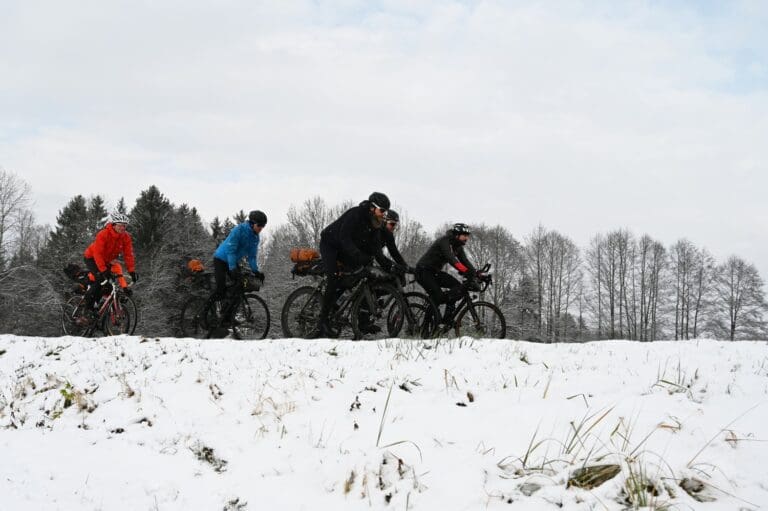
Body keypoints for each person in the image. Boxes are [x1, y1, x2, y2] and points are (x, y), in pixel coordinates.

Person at [309, 192, 395, 338]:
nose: (383, 214)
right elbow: (344, 238)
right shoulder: (355, 214)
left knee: (354, 275)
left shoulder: (375, 223)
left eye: (385, 211)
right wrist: (358, 255)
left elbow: (376, 250)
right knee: (333, 277)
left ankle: (334, 306)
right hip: (330, 244)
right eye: (382, 210)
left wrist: (390, 266)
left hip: (344, 248)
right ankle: (321, 322)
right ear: (372, 208)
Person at [415, 223, 479, 325]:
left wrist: (476, 273)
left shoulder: (458, 246)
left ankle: (447, 319)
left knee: (458, 288)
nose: (466, 238)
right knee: (438, 297)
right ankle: (425, 328)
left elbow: (465, 261)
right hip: (423, 271)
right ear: (457, 234)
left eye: (467, 236)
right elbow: (452, 260)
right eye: (464, 235)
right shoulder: (445, 241)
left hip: (435, 272)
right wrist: (466, 271)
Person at [79, 212, 137, 324]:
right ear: (113, 225)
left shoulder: (126, 237)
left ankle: (97, 304)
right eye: (120, 225)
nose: (122, 228)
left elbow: (128, 255)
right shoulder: (103, 234)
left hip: (107, 261)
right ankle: (87, 309)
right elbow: (98, 254)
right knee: (100, 280)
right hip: (92, 257)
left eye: (124, 226)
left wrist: (131, 271)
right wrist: (103, 270)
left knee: (108, 285)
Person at [212, 210, 267, 299]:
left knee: (240, 284)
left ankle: (229, 309)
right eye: (259, 225)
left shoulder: (255, 238)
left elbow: (252, 256)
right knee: (221, 289)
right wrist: (232, 268)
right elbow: (231, 250)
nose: (261, 228)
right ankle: (206, 311)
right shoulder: (239, 230)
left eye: (263, 226)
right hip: (220, 259)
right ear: (252, 223)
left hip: (232, 261)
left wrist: (256, 271)